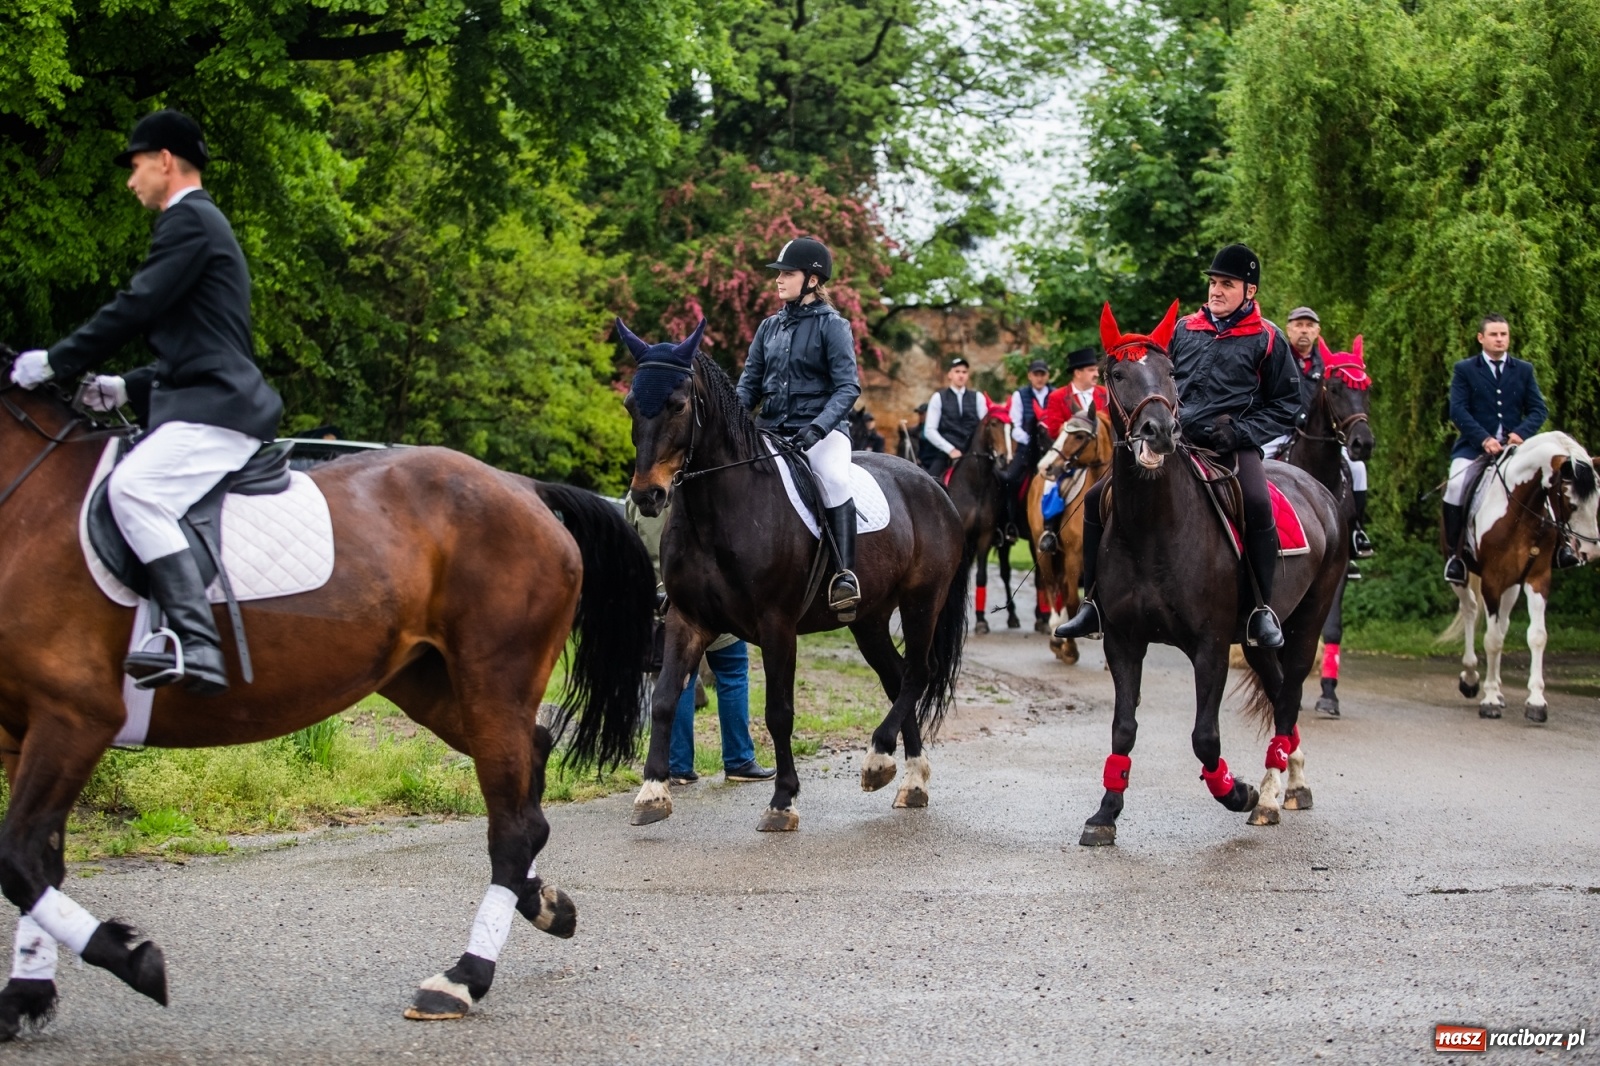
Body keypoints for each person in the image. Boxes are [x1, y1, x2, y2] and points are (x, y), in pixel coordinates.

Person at [10, 110, 283, 695]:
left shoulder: (190, 222)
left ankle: (197, 643)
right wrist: (126, 387)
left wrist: (56, 361)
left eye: (135, 167)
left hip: (219, 411)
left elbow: (135, 305)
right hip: (203, 397)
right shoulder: (199, 227)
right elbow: (201, 340)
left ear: (163, 161)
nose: (131, 181)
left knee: (133, 489)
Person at [1056, 243, 1300, 648]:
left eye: (1227, 284)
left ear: (1250, 291)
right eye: (1213, 283)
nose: (1216, 291)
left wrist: (1241, 432)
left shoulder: (1268, 339)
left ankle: (1261, 609)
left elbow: (1287, 405)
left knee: (1257, 503)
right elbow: (1155, 379)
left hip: (1232, 446)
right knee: (1098, 498)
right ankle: (1093, 603)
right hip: (1176, 441)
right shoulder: (1184, 329)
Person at [736, 236, 863, 618]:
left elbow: (848, 387)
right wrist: (733, 422)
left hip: (820, 431)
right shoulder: (768, 328)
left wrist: (818, 428)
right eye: (778, 275)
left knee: (834, 479)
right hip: (770, 427)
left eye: (786, 274)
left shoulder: (833, 326)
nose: (778, 281)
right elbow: (748, 385)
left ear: (811, 279)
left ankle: (844, 575)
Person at [625, 498, 774, 785]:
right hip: (714, 602)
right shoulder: (699, 489)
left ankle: (677, 766)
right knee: (732, 673)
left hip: (664, 606)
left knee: (676, 680)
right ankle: (739, 760)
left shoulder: (636, 500)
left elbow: (629, 554)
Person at [1442, 313, 1566, 584]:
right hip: (1474, 449)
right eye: (1494, 335)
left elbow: (1538, 409)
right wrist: (1484, 439)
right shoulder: (1465, 369)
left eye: (1504, 335)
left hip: (1515, 450)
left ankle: (1561, 546)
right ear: (1481, 338)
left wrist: (1520, 434)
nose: (1500, 339)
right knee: (1455, 486)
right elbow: (1458, 410)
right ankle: (1455, 555)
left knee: (1548, 483)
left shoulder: (1523, 370)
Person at [1269, 307, 1375, 571]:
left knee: (1358, 470)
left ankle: (1355, 533)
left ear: (1317, 331)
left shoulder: (1328, 366)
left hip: (1319, 436)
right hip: (1278, 430)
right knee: (1258, 462)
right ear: (1289, 328)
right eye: (1298, 324)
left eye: (1309, 325)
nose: (1304, 329)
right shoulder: (1276, 359)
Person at [1035, 347, 1107, 554]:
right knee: (1050, 483)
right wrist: (1078, 430)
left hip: (1101, 457)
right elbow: (1053, 427)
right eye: (1092, 370)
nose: (1096, 374)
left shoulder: (1104, 394)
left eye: (1096, 370)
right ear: (1078, 372)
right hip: (1070, 456)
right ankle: (1050, 531)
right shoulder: (1058, 396)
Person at [923, 356, 980, 481]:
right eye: (957, 371)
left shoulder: (978, 397)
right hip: (946, 453)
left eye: (964, 372)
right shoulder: (938, 397)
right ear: (950, 374)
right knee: (930, 482)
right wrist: (950, 450)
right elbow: (930, 430)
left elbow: (983, 426)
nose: (961, 375)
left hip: (973, 452)